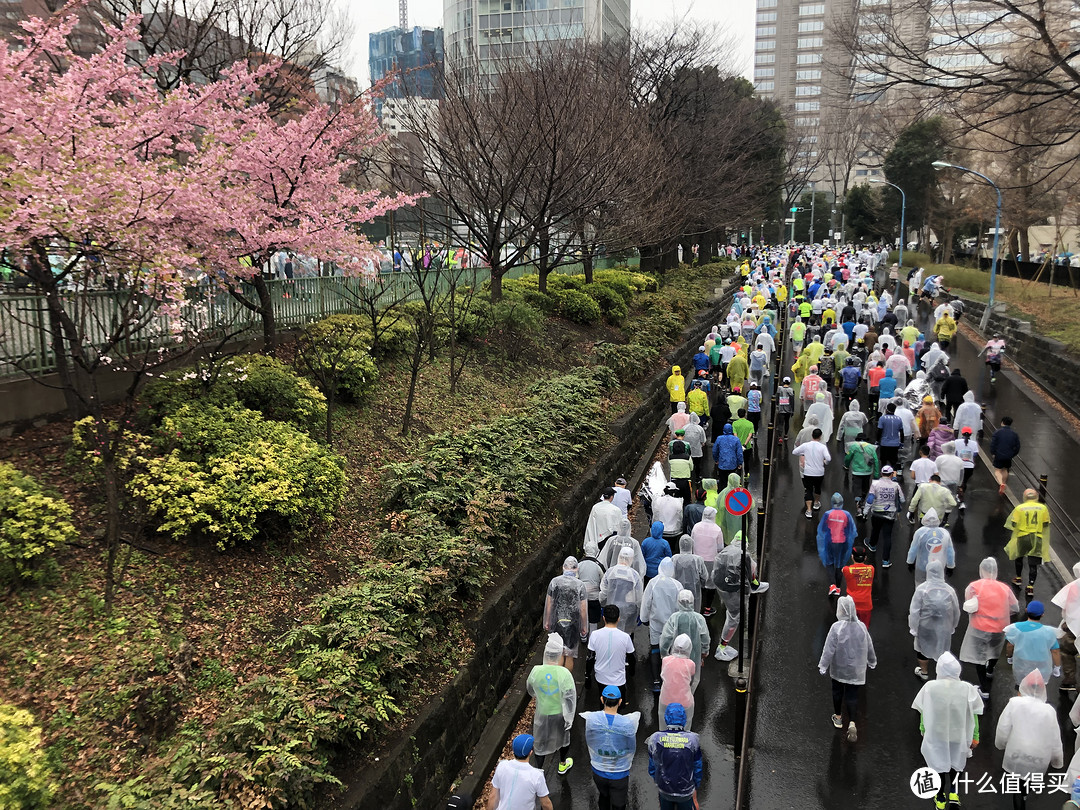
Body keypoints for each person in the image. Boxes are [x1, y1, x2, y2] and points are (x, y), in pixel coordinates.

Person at [911, 652, 983, 810]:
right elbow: (974, 714)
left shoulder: (930, 687)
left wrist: (923, 730)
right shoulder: (967, 688)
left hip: (937, 734)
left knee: (937, 765)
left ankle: (940, 797)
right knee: (956, 764)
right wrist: (975, 736)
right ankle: (953, 793)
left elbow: (923, 711)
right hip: (959, 734)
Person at [995, 670, 1064, 810]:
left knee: (1017, 788)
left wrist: (1000, 744)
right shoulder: (1049, 711)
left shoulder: (1014, 703)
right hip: (1039, 758)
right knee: (1028, 784)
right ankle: (1025, 796)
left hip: (1017, 753)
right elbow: (1055, 738)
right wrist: (1057, 761)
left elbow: (1003, 727)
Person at [818, 595, 877, 742]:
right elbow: (869, 646)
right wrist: (872, 661)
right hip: (856, 670)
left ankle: (838, 717)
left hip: (839, 668)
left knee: (837, 692)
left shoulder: (837, 628)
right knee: (852, 695)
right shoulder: (861, 627)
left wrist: (823, 665)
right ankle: (852, 722)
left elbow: (829, 648)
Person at [959, 557, 1019, 699]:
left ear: (982, 570)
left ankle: (984, 688)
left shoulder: (974, 586)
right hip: (1000, 627)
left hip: (979, 627)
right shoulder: (1005, 588)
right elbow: (1015, 607)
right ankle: (990, 670)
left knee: (979, 656)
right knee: (994, 650)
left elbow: (969, 604)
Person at [580, 686, 640, 810]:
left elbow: (590, 739)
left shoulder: (591, 719)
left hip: (598, 771)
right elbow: (631, 747)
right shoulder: (628, 723)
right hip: (620, 773)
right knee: (619, 803)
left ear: (602, 699)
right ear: (620, 701)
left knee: (603, 796)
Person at [712, 532, 769, 662]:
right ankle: (722, 646)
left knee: (731, 613)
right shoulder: (745, 555)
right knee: (733, 617)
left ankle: (722, 646)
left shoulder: (725, 551)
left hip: (720, 586)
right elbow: (751, 571)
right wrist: (754, 584)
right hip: (733, 591)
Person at [527, 634, 577, 774]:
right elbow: (570, 697)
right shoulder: (564, 673)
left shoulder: (536, 670)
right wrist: (569, 717)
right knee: (563, 739)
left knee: (540, 742)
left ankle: (539, 771)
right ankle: (562, 763)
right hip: (560, 713)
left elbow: (530, 690)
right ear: (560, 654)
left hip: (542, 712)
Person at [910, 560, 961, 681]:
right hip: (944, 627)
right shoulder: (949, 590)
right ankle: (942, 675)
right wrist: (953, 626)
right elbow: (956, 610)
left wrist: (913, 627)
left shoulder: (922, 589)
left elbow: (914, 611)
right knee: (942, 650)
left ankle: (924, 671)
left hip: (925, 626)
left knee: (922, 648)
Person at [647, 702, 704, 809]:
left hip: (665, 789)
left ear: (666, 717)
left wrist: (658, 781)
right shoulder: (692, 740)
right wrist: (695, 785)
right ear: (684, 718)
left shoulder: (655, 738)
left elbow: (652, 766)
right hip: (686, 791)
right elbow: (697, 767)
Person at [642, 559, 683, 692]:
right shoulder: (677, 585)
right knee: (671, 651)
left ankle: (656, 681)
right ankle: (669, 679)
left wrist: (644, 618)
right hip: (672, 624)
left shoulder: (653, 583)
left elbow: (646, 602)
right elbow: (680, 606)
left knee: (655, 649)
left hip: (656, 623)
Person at [543, 557, 589, 672]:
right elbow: (583, 608)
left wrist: (547, 621)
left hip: (557, 621)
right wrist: (584, 626)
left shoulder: (554, 582)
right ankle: (566, 680)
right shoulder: (580, 585)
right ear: (577, 569)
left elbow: (549, 603)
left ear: (563, 567)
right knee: (569, 654)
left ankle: (557, 680)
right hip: (573, 623)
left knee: (558, 652)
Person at [660, 590, 711, 692]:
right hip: (694, 654)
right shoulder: (699, 618)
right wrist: (705, 651)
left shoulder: (674, 618)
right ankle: (688, 696)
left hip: (676, 654)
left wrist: (664, 654)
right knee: (691, 676)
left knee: (677, 676)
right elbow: (705, 637)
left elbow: (666, 638)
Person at [1004, 600, 1061, 689]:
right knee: (1038, 689)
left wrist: (1009, 657)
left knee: (1022, 686)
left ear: (1026, 611)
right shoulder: (1049, 632)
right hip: (1042, 665)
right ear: (1042, 614)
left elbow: (1010, 645)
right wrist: (1057, 667)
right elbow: (1055, 651)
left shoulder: (1015, 628)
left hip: (1022, 663)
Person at [1005, 489, 1051, 598]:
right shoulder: (1043, 508)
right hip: (1037, 537)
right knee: (1033, 563)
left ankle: (1018, 578)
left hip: (1023, 536)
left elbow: (1013, 523)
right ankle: (1030, 586)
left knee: (1019, 557)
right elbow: (1045, 524)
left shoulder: (1019, 508)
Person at [488, 734, 553, 810]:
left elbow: (493, 797)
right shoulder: (536, 775)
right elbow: (545, 804)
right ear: (530, 752)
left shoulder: (502, 766)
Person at [588, 605, 636, 702]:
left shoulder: (594, 635)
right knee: (619, 704)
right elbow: (632, 657)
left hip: (601, 677)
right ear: (618, 619)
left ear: (604, 618)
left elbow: (590, 658)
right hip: (619, 679)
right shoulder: (625, 637)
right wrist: (632, 671)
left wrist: (587, 675)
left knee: (603, 703)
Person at [817, 492, 858, 597]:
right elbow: (852, 530)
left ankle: (832, 585)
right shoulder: (847, 514)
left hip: (830, 542)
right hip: (842, 542)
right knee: (839, 564)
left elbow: (821, 529)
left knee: (829, 562)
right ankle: (838, 587)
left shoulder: (827, 514)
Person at [865, 465, 905, 567]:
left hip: (876, 512)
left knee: (875, 529)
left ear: (882, 473)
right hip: (890, 513)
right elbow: (902, 500)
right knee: (887, 536)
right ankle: (885, 561)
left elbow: (870, 499)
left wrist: (865, 511)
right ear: (891, 474)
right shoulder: (896, 485)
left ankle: (872, 545)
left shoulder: (875, 484)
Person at [600, 548, 644, 636]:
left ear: (619, 556)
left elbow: (603, 592)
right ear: (632, 559)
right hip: (629, 609)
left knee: (611, 634)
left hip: (611, 608)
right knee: (626, 635)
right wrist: (640, 612)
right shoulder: (634, 575)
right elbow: (639, 597)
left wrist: (602, 605)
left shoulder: (610, 572)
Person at [906, 508, 956, 584]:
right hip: (939, 567)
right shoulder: (944, 533)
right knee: (937, 585)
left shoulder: (920, 532)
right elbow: (950, 550)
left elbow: (913, 549)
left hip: (923, 566)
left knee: (920, 585)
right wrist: (950, 566)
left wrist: (910, 561)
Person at [1052, 562, 1080, 694]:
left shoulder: (1074, 587)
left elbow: (1065, 609)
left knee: (1067, 651)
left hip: (1074, 629)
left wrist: (1066, 623)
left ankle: (1069, 680)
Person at [657, 639, 697, 732]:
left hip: (666, 699)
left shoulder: (665, 660)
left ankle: (664, 740)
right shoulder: (690, 664)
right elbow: (691, 679)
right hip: (684, 701)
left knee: (664, 723)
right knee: (686, 724)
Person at [792, 428, 832, 518]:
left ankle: (809, 510)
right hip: (819, 472)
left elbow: (794, 452)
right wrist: (825, 462)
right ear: (820, 436)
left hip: (808, 472)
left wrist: (803, 454)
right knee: (817, 488)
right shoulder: (822, 447)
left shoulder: (806, 446)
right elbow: (828, 458)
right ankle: (816, 503)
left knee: (809, 490)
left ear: (812, 435)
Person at [692, 506, 724, 617]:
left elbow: (692, 542)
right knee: (710, 584)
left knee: (699, 583)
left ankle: (697, 606)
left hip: (697, 559)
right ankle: (707, 608)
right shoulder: (717, 529)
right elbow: (720, 548)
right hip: (711, 561)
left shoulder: (696, 527)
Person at [670, 534, 709, 613]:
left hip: (678, 591)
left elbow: (671, 575)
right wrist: (702, 584)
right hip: (694, 591)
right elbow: (705, 576)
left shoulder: (674, 559)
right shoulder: (698, 559)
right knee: (694, 611)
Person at [585, 488, 624, 555]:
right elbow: (620, 525)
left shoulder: (595, 507)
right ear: (612, 497)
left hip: (598, 536)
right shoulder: (616, 509)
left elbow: (591, 524)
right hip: (611, 536)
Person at [843, 547, 875, 628]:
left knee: (851, 628)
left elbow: (842, 570)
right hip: (866, 605)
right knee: (864, 628)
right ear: (865, 558)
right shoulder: (871, 569)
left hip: (852, 605)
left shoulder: (847, 570)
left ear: (852, 557)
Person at [844, 432, 879, 505]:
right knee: (865, 488)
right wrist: (876, 474)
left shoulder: (854, 446)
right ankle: (862, 500)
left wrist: (846, 465)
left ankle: (858, 503)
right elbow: (876, 460)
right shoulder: (871, 447)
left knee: (856, 488)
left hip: (856, 471)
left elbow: (848, 457)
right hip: (868, 472)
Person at [990, 416, 1021, 495]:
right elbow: (1017, 447)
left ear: (1002, 422)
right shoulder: (1014, 434)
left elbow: (993, 444)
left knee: (997, 470)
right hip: (1008, 456)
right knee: (1005, 469)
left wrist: (993, 452)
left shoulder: (997, 432)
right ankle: (1004, 483)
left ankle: (1001, 484)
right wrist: (1012, 454)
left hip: (999, 454)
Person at [652, 484, 685, 556]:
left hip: (661, 530)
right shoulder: (678, 502)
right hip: (673, 531)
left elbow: (655, 515)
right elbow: (680, 517)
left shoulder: (657, 500)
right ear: (673, 492)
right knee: (671, 549)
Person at [876, 402, 905, 468]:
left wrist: (877, 440)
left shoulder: (882, 418)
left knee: (883, 461)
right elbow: (901, 432)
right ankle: (894, 476)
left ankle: (883, 475)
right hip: (895, 444)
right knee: (893, 462)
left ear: (886, 409)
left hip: (884, 443)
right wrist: (902, 442)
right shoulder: (899, 419)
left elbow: (879, 431)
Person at [955, 427, 978, 507]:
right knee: (964, 482)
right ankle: (961, 495)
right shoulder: (974, 443)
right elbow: (975, 454)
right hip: (969, 466)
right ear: (971, 434)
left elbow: (954, 452)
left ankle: (961, 498)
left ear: (962, 433)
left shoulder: (957, 442)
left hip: (959, 465)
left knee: (960, 482)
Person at [683, 414, 708, 481]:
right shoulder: (699, 428)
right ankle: (697, 477)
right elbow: (703, 440)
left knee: (687, 464)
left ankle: (688, 477)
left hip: (687, 451)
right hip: (697, 450)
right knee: (697, 464)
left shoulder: (684, 428)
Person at [776, 376, 795, 440]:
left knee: (780, 423)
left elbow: (777, 397)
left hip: (781, 409)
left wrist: (777, 406)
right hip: (788, 409)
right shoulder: (791, 390)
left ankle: (780, 437)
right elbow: (792, 401)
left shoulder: (780, 389)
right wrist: (792, 410)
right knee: (787, 422)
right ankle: (786, 435)